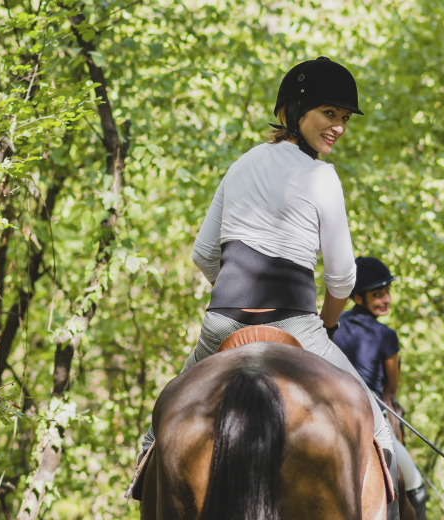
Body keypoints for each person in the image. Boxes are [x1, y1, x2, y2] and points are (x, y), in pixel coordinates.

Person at [131, 57, 398, 511]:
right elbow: (341, 278)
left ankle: (141, 478)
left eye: (344, 118)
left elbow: (203, 254)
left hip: (222, 324)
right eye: (329, 114)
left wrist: (235, 296)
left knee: (159, 427)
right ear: (293, 112)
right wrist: (327, 328)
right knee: (379, 430)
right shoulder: (321, 176)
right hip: (298, 326)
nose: (338, 127)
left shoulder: (240, 165)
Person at [334, 256, 428, 520]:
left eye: (387, 292)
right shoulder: (387, 336)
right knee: (415, 486)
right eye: (378, 294)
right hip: (372, 416)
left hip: (335, 410)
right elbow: (391, 390)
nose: (386, 299)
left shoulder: (334, 324)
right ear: (359, 297)